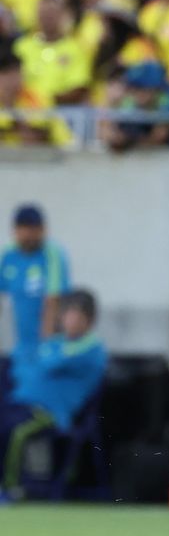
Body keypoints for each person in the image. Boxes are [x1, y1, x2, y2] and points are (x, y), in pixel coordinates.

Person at [0, 288, 107, 499]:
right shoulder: (57, 344)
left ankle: (8, 489)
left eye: (76, 316)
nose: (70, 321)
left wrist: (45, 357)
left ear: (90, 320)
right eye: (67, 315)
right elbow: (26, 367)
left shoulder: (92, 349)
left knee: (14, 431)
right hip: (21, 403)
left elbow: (49, 362)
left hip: (50, 413)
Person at [1, 205, 70, 387]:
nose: (30, 235)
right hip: (22, 349)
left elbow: (53, 301)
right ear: (16, 230)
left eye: (35, 230)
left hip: (49, 347)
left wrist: (46, 349)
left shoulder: (52, 254)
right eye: (25, 230)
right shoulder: (9, 254)